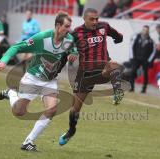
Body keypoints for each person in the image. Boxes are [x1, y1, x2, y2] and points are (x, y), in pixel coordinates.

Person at [0, 11, 78, 151]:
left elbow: (73, 49)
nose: (68, 30)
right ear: (58, 25)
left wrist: (73, 54)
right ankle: (11, 94)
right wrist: (3, 61)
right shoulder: (42, 38)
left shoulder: (69, 39)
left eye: (69, 27)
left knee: (51, 110)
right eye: (66, 26)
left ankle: (28, 142)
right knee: (19, 112)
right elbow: (17, 47)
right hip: (33, 78)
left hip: (50, 80)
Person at [58, 8, 124, 146]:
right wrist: (70, 55)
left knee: (114, 65)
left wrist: (119, 38)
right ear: (84, 19)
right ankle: (71, 131)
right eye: (92, 19)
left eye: (97, 19)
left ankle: (117, 90)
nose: (95, 22)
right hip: (85, 73)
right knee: (75, 108)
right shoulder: (76, 33)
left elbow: (117, 36)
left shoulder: (104, 27)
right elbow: (66, 50)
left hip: (102, 67)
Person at [129, 25, 155, 93]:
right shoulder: (136, 37)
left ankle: (144, 89)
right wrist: (132, 57)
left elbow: (153, 51)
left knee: (145, 74)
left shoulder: (151, 40)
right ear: (142, 30)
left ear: (148, 31)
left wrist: (149, 60)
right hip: (136, 58)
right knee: (132, 72)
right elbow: (131, 47)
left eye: (146, 30)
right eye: (144, 30)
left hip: (145, 60)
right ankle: (131, 87)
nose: (145, 31)